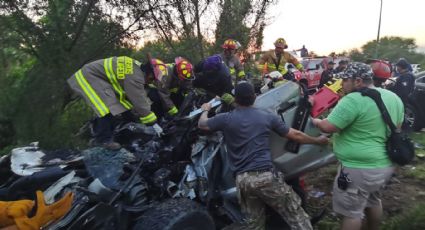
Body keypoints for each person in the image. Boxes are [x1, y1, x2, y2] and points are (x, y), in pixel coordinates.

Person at [198, 82, 329, 230]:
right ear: (254, 97)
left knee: (255, 225)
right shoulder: (266, 116)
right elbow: (295, 134)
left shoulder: (226, 118)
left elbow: (202, 125)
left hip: (242, 182)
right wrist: (317, 141)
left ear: (235, 99)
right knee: (296, 216)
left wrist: (205, 110)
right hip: (265, 177)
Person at [311, 63, 404, 230]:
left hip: (357, 169)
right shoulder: (393, 97)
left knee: (352, 213)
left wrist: (316, 121)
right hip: (384, 165)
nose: (342, 84)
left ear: (358, 81)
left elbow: (328, 127)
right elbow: (397, 128)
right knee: (373, 201)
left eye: (345, 80)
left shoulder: (353, 100)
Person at [67, 56, 162, 149]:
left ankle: (118, 132)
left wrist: (132, 118)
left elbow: (129, 99)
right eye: (152, 78)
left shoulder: (136, 68)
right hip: (88, 77)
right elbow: (139, 100)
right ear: (149, 71)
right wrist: (153, 123)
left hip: (97, 77)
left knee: (120, 104)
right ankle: (102, 140)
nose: (151, 82)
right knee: (105, 106)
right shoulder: (135, 76)